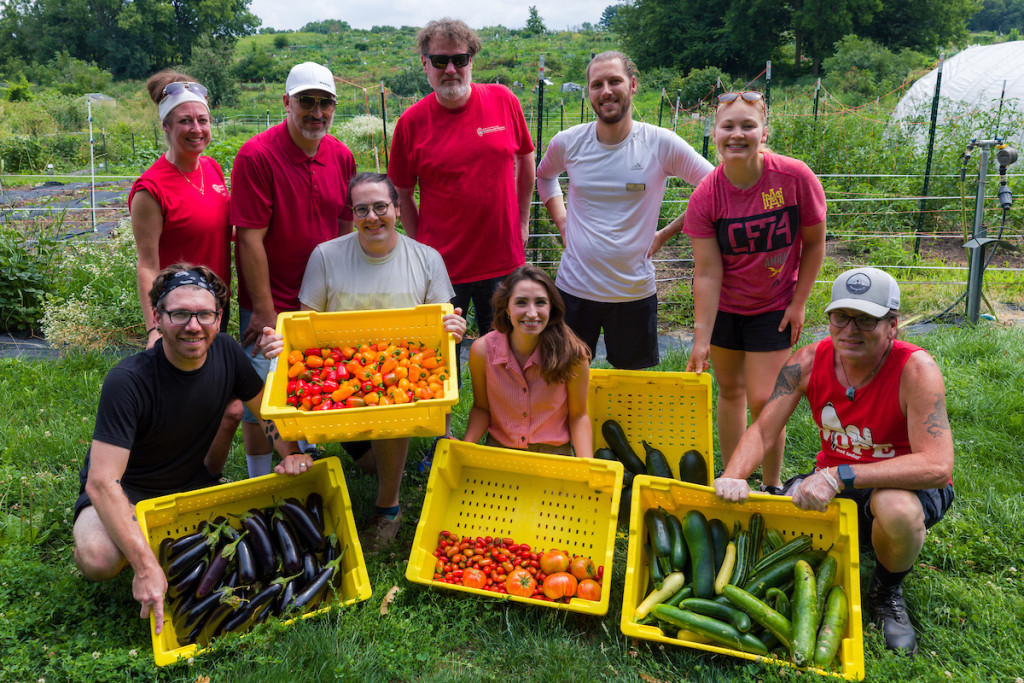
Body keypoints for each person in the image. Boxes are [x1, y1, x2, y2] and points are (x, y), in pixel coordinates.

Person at [713, 267, 955, 655]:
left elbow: (937, 467)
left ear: (892, 325)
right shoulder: (807, 361)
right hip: (834, 479)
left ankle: (886, 592)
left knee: (894, 510)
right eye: (841, 316)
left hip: (901, 483)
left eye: (866, 319)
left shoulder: (916, 370)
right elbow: (763, 429)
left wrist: (840, 475)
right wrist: (734, 475)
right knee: (768, 520)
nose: (850, 330)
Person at [71, 264, 305, 635]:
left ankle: (198, 489)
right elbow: (102, 483)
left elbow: (265, 414)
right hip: (126, 491)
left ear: (218, 318)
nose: (193, 325)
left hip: (187, 480)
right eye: (179, 313)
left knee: (231, 410)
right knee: (100, 559)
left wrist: (289, 451)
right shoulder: (127, 381)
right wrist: (146, 567)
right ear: (158, 318)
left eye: (204, 314)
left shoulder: (227, 351)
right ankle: (119, 537)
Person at [260, 173, 467, 552]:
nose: (372, 217)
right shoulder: (326, 255)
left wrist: (454, 325)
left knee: (394, 416)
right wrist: (280, 342)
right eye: (361, 209)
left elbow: (441, 329)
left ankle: (388, 509)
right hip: (347, 376)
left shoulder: (426, 258)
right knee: (376, 461)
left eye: (381, 207)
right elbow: (307, 331)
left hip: (399, 383)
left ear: (398, 210)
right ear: (352, 215)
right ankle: (334, 453)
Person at [683, 90, 826, 493]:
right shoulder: (706, 196)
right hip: (726, 307)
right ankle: (733, 478)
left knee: (766, 400)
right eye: (728, 126)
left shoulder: (794, 177)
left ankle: (772, 482)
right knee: (730, 391)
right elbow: (708, 273)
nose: (737, 134)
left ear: (764, 131)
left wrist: (799, 303)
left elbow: (815, 243)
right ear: (714, 133)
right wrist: (701, 338)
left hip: (774, 305)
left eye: (748, 125)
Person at [536, 51, 714, 369]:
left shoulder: (660, 144)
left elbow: (715, 187)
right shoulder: (568, 143)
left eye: (614, 81)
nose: (606, 91)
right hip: (573, 290)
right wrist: (562, 221)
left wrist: (667, 232)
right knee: (562, 381)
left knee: (632, 391)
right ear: (589, 92)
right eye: (597, 84)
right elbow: (545, 176)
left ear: (632, 85)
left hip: (633, 293)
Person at [231, 61, 357, 478]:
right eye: (307, 102)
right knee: (260, 393)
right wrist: (265, 310)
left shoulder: (340, 155)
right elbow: (249, 238)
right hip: (271, 297)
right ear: (287, 102)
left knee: (307, 381)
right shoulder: (257, 156)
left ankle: (300, 461)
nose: (316, 112)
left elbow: (344, 226)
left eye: (326, 103)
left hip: (317, 298)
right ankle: (259, 475)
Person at [388, 17, 535, 354]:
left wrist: (523, 221)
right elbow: (403, 195)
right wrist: (420, 250)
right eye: (440, 60)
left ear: (472, 61)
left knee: (507, 356)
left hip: (502, 260)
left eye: (459, 59)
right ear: (425, 65)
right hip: (441, 269)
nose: (450, 68)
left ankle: (500, 409)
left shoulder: (503, 100)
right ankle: (444, 410)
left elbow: (526, 160)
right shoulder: (410, 123)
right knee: (438, 360)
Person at [129, 71, 241, 467]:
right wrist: (154, 330)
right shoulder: (151, 189)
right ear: (166, 126)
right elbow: (147, 265)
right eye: (185, 121)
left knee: (225, 409)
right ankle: (162, 477)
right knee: (181, 408)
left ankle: (205, 479)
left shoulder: (210, 170)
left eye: (202, 120)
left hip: (213, 310)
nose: (196, 129)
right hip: (179, 316)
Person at [463, 265, 593, 457]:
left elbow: (578, 416)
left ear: (551, 308)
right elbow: (481, 408)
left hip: (553, 453)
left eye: (540, 302)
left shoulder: (573, 355)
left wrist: (587, 467)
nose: (532, 313)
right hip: (500, 450)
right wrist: (466, 447)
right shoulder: (482, 351)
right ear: (507, 307)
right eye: (521, 303)